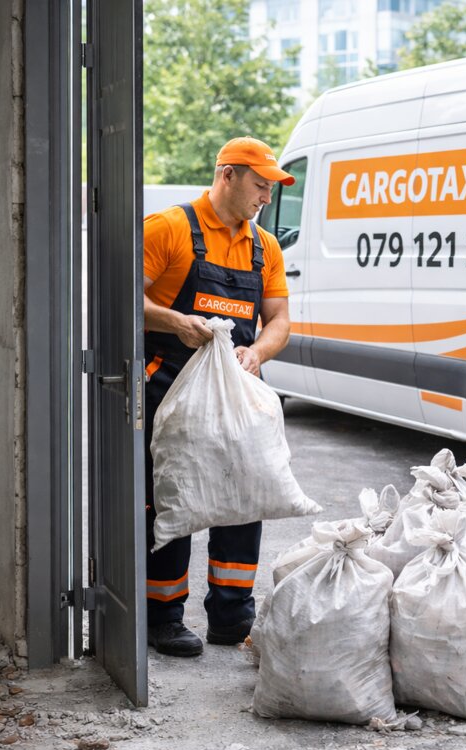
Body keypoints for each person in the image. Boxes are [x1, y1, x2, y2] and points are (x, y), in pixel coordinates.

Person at [142, 136, 294, 656]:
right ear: (228, 175)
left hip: (236, 391)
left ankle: (232, 617)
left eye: (271, 188)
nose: (266, 197)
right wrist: (174, 321)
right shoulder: (169, 229)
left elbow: (279, 320)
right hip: (170, 385)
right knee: (173, 496)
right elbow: (119, 297)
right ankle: (162, 616)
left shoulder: (264, 247)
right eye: (260, 185)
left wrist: (258, 353)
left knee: (243, 492)